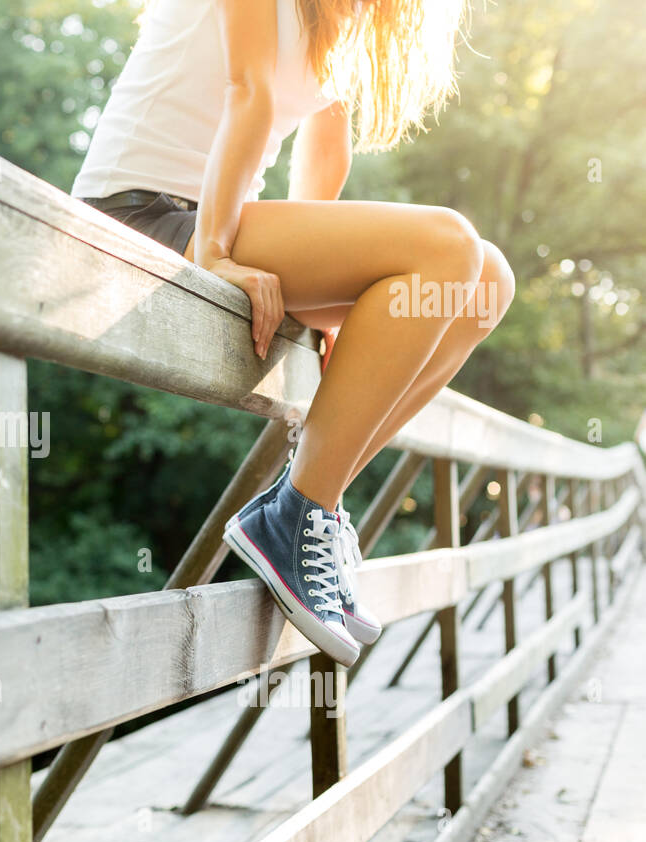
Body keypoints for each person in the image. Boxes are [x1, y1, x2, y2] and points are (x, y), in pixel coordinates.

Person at [72, 0, 515, 665]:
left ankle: (308, 502)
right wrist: (217, 253)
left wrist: (339, 293)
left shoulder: (347, 12)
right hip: (137, 213)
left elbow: (323, 148)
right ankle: (299, 510)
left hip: (218, 220)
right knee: (449, 244)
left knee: (484, 285)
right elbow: (247, 90)